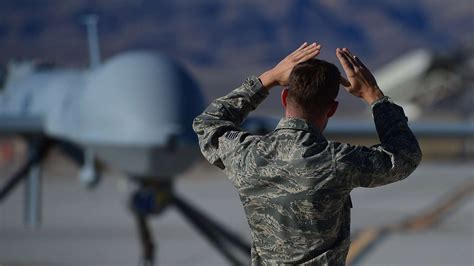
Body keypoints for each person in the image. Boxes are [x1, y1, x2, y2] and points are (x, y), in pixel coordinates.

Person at [192, 42, 422, 265]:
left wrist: (268, 79)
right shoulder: (336, 161)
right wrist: (375, 97)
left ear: (284, 98)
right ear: (332, 109)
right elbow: (404, 156)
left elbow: (208, 123)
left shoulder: (246, 154)